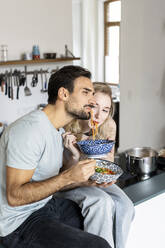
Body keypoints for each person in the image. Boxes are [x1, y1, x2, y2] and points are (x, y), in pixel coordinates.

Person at [0, 67, 111, 248]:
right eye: (85, 93)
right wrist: (68, 176)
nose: (92, 100)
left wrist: (85, 181)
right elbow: (14, 196)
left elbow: (49, 179)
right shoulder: (29, 130)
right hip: (18, 222)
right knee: (97, 245)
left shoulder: (56, 130)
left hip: (46, 206)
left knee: (104, 212)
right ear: (63, 94)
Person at [56, 83, 135, 248]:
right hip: (70, 181)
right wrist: (74, 154)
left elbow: (109, 164)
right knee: (102, 201)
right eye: (94, 106)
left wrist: (105, 160)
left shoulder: (108, 126)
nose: (99, 115)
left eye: (106, 110)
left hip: (95, 177)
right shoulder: (67, 128)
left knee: (126, 206)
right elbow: (61, 178)